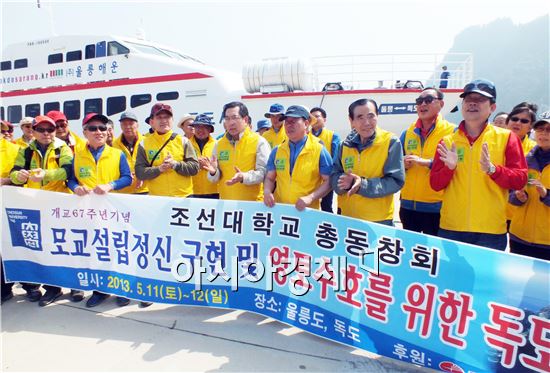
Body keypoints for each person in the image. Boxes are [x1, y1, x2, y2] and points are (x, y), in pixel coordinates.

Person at [430, 79, 527, 250]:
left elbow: (520, 180)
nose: (472, 103)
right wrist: (449, 169)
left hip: (490, 231)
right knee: (452, 277)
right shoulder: (447, 141)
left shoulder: (506, 138)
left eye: (480, 99)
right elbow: (435, 184)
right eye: (468, 99)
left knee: (485, 278)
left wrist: (493, 170)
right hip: (452, 228)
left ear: (492, 107)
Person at [67, 113, 132, 307]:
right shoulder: (77, 155)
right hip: (88, 213)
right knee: (95, 251)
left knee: (118, 250)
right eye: (93, 128)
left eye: (103, 128)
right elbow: (70, 179)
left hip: (112, 212)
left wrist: (110, 185)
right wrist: (75, 188)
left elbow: (127, 178)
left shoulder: (116, 154)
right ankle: (100, 291)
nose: (99, 132)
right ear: (85, 132)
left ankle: (122, 289)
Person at [9, 115, 74, 305]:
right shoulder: (26, 151)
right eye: (42, 130)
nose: (46, 133)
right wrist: (19, 176)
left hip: (58, 206)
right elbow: (14, 173)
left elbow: (68, 171)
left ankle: (73, 285)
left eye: (50, 130)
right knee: (41, 248)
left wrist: (46, 174)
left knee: (62, 245)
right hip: (34, 207)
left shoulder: (63, 148)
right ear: (33, 132)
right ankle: (52, 288)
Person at [331, 98, 405, 225]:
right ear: (351, 121)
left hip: (378, 219)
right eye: (360, 117)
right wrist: (343, 183)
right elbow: (334, 174)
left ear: (377, 116)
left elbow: (395, 181)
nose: (366, 122)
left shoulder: (391, 142)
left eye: (371, 116)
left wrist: (361, 185)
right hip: (347, 216)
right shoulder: (344, 145)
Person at [399, 88, 455, 235]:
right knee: (410, 252)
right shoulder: (407, 133)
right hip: (408, 207)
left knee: (434, 253)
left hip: (437, 207)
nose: (423, 104)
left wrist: (428, 163)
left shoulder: (453, 132)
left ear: (441, 104)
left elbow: (458, 166)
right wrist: (402, 165)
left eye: (428, 100)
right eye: (419, 101)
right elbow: (395, 166)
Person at [264, 105, 332, 210]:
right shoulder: (277, 151)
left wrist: (310, 197)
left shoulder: (319, 150)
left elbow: (329, 181)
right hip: (280, 210)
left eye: (293, 121)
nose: (289, 125)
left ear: (306, 124)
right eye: (286, 122)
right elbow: (270, 177)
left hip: (307, 212)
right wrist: (267, 191)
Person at [203, 101, 270, 201]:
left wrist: (244, 177)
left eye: (235, 117)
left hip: (252, 205)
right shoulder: (219, 144)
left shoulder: (259, 141)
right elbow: (214, 178)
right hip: (226, 205)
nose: (231, 122)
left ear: (245, 119)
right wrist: (213, 172)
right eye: (227, 118)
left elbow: (264, 173)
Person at [508, 112, 550, 261]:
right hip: (519, 236)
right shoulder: (524, 159)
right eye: (540, 129)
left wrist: (546, 195)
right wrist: (519, 197)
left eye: (549, 130)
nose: (544, 133)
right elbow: (511, 195)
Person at [135, 103, 199, 197]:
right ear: (152, 122)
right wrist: (159, 169)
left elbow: (194, 168)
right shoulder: (144, 144)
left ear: (172, 120)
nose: (164, 120)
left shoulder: (183, 141)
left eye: (167, 117)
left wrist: (175, 164)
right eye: (159, 117)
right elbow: (139, 172)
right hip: (157, 199)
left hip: (183, 197)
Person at [310, 107, 341, 213]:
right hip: (309, 178)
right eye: (312, 117)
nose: (314, 119)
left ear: (324, 119)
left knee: (326, 206)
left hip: (326, 178)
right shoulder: (305, 136)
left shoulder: (333, 136)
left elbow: (335, 158)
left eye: (317, 116)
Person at [112, 111, 148, 194]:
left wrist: (141, 174)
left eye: (131, 123)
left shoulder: (146, 142)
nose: (128, 127)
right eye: (124, 124)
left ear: (137, 125)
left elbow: (153, 164)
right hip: (124, 191)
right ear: (120, 126)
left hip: (145, 189)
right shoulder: (114, 145)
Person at [191, 114, 219, 199]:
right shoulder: (186, 144)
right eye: (197, 127)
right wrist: (196, 163)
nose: (200, 130)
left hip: (214, 191)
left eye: (204, 127)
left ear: (210, 129)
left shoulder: (218, 144)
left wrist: (210, 165)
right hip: (192, 191)